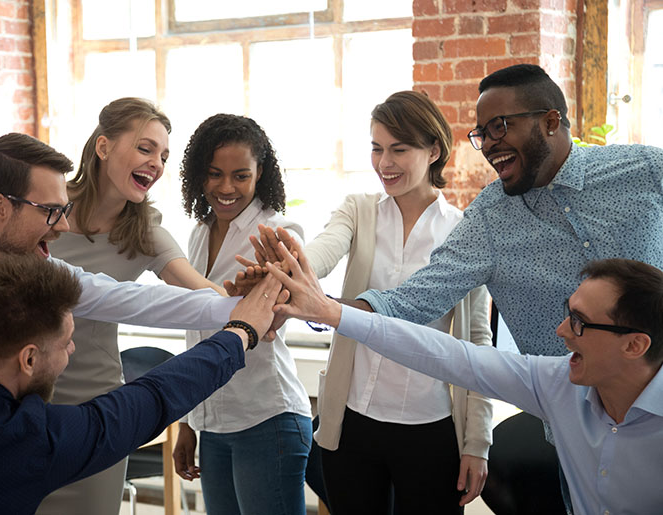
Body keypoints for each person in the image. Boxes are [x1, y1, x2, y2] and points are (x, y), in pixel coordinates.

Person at [249, 63, 663, 512]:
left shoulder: (645, 171)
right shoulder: (489, 218)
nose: (488, 144)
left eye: (500, 127)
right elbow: (419, 309)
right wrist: (315, 298)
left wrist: (475, 441)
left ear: (550, 120)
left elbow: (471, 341)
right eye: (481, 133)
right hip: (574, 419)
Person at [267, 240, 663, 515]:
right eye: (567, 312)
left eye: (579, 323)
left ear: (635, 345)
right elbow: (450, 356)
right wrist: (332, 313)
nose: (561, 330)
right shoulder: (557, 384)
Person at [0, 254, 286, 514]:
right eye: (66, 344)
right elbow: (151, 398)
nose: (72, 350)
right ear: (28, 359)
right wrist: (241, 332)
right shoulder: (30, 440)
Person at [0, 132, 241, 377]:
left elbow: (135, 300)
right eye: (49, 211)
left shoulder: (38, 271)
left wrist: (244, 309)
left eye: (63, 211)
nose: (62, 227)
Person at [298, 91, 493, 513]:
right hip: (352, 422)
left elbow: (478, 340)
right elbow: (324, 250)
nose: (384, 163)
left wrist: (477, 442)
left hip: (430, 426)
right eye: (376, 148)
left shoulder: (464, 232)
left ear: (434, 150)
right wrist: (295, 268)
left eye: (399, 150)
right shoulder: (359, 210)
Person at [38, 98, 228, 515]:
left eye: (163, 156)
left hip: (97, 410)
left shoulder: (145, 231)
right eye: (145, 149)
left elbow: (199, 292)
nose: (156, 164)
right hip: (26, 402)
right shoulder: (46, 210)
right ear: (103, 147)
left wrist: (246, 307)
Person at [172, 113, 312, 515]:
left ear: (260, 173)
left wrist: (261, 293)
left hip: (266, 418)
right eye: (215, 174)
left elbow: (278, 305)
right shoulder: (199, 232)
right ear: (199, 175)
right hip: (213, 424)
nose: (226, 188)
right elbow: (194, 332)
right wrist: (189, 422)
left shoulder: (279, 231)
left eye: (240, 175)